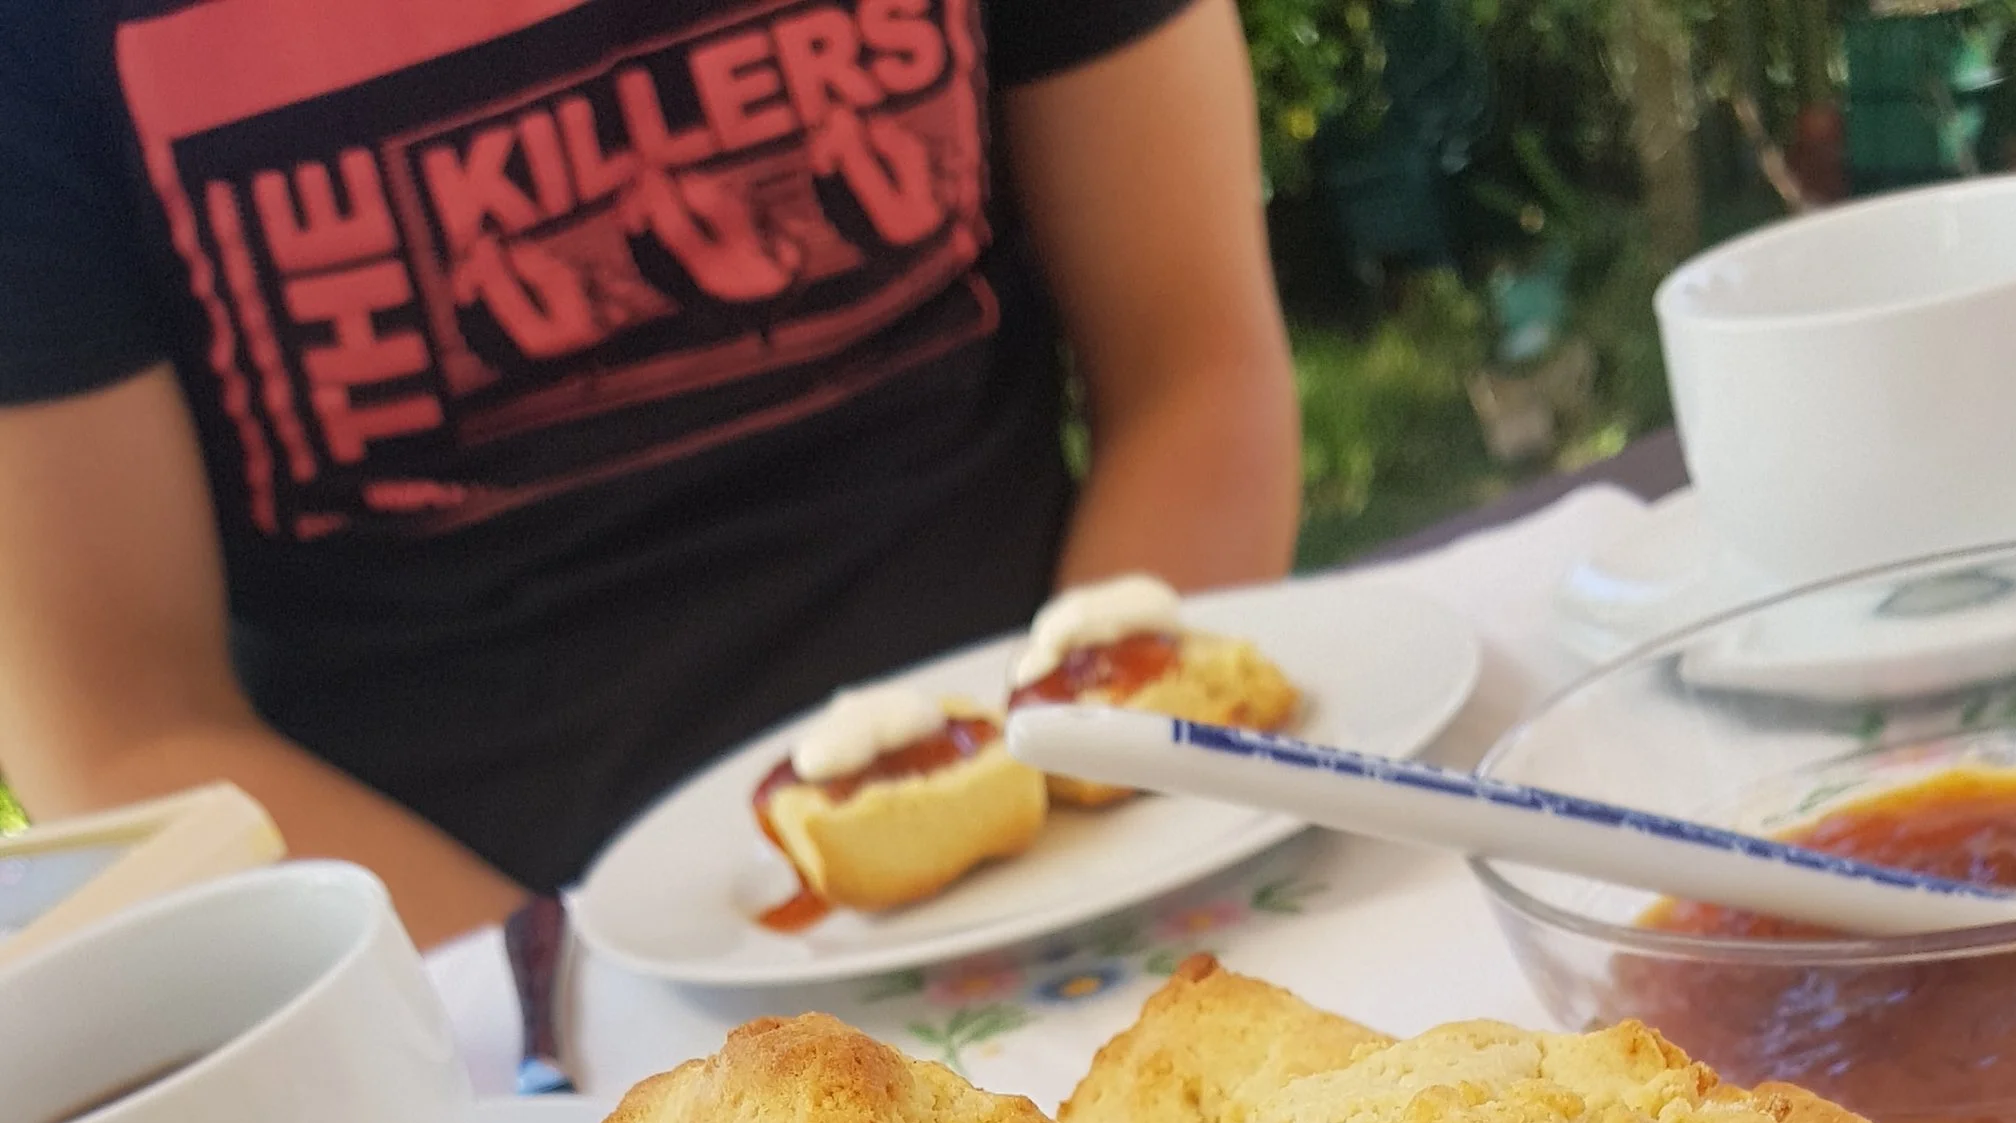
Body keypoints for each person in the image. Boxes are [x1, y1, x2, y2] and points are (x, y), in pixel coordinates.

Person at [0, 0, 1301, 941]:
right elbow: (116, 724)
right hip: (495, 994)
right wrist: (572, 1001)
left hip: (1094, 840)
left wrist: (1099, 785)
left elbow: (1195, 370)